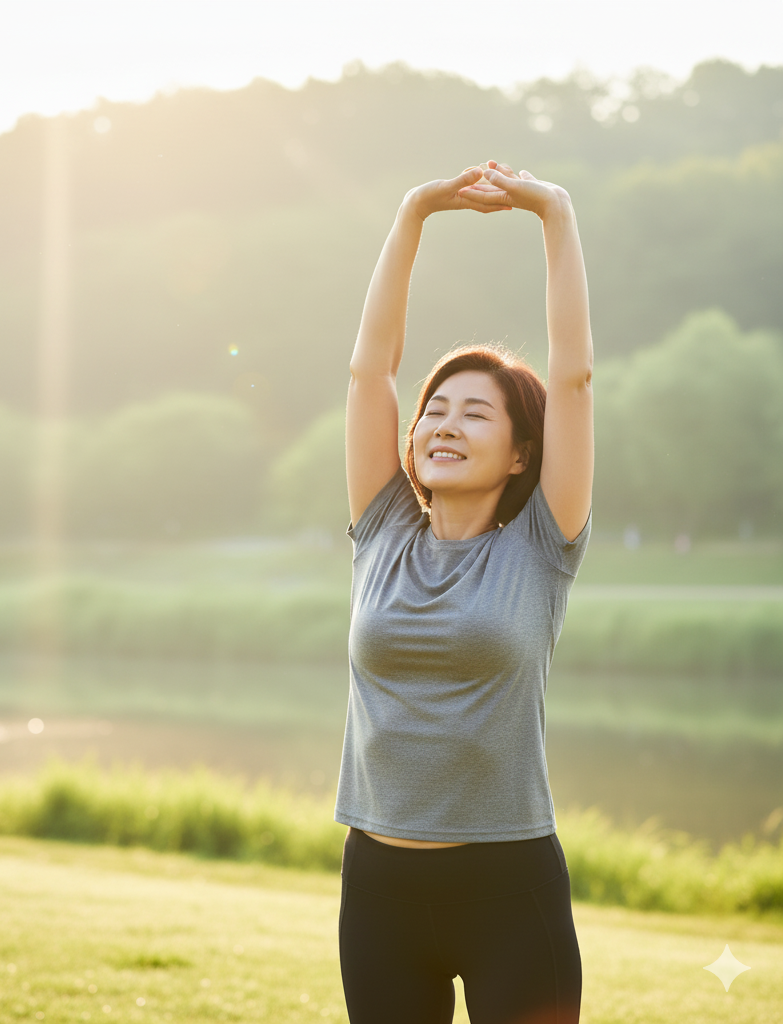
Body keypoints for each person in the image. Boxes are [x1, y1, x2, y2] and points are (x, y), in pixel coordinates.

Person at [336, 161, 594, 1024]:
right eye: (436, 410)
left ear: (522, 453)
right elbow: (371, 372)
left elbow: (573, 382)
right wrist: (414, 211)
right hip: (378, 882)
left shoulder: (540, 545)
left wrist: (553, 214)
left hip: (506, 885)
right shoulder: (383, 530)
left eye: (475, 414)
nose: (444, 423)